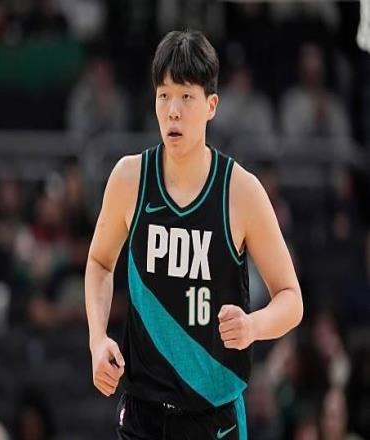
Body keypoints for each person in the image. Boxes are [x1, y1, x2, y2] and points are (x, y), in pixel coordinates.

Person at [85, 29, 303, 439]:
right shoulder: (130, 178)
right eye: (164, 95)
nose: (173, 111)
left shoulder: (241, 191)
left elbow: (292, 299)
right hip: (142, 413)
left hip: (212, 415)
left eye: (186, 96)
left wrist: (254, 326)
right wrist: (98, 340)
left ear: (211, 105)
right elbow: (99, 262)